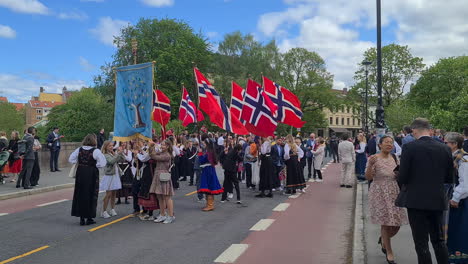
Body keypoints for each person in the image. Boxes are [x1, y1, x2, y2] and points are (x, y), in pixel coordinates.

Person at [398, 118, 453, 264]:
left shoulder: (410, 147)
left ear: (414, 130)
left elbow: (402, 176)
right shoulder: (445, 148)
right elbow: (449, 177)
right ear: (429, 129)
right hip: (436, 198)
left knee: (421, 242)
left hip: (416, 200)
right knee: (439, 240)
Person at [366, 135, 408, 264]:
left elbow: (399, 174)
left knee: (396, 223)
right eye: (386, 142)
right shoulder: (374, 158)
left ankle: (384, 239)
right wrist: (370, 165)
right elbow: (368, 177)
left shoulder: (395, 157)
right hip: (379, 192)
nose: (389, 144)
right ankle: (389, 252)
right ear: (380, 145)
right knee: (385, 223)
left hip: (394, 191)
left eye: (391, 142)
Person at [69, 134, 106, 226]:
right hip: (91, 173)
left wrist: (80, 163)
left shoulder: (79, 149)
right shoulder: (96, 151)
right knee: (91, 193)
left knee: (80, 193)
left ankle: (82, 218)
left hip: (81, 172)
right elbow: (102, 163)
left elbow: (71, 159)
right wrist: (94, 165)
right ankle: (89, 217)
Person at [444, 133, 468, 263]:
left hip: (463, 200)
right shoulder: (455, 157)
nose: (444, 144)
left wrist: (456, 198)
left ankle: (460, 259)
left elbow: (465, 184)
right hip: (458, 198)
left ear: (454, 144)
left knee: (460, 230)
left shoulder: (464, 159)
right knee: (455, 229)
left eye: (446, 142)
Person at [149, 139, 176, 224]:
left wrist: (152, 146)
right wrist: (152, 147)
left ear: (168, 146)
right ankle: (162, 214)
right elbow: (151, 154)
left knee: (167, 197)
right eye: (161, 144)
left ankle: (171, 216)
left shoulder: (167, 155)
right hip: (158, 175)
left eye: (163, 145)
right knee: (159, 196)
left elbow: (154, 156)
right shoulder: (162, 153)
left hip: (163, 175)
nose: (161, 146)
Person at [99, 141, 124, 218]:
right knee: (108, 193)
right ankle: (103, 211)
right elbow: (111, 161)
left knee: (114, 193)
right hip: (109, 176)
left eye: (112, 146)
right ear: (106, 147)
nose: (111, 147)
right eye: (109, 146)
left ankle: (112, 209)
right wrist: (118, 154)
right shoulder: (105, 155)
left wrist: (121, 153)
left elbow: (122, 160)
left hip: (115, 175)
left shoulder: (112, 153)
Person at [198, 138, 223, 211]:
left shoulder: (208, 152)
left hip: (208, 170)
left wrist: (200, 153)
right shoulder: (211, 151)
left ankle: (210, 205)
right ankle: (209, 204)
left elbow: (202, 161)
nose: (203, 145)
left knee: (208, 187)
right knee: (209, 187)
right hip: (210, 169)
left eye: (204, 144)